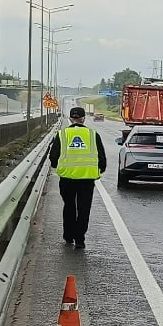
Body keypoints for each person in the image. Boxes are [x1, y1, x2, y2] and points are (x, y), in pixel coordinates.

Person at [49, 106, 107, 249]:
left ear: (70, 119)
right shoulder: (93, 135)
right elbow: (102, 157)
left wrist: (59, 166)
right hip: (87, 179)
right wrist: (101, 168)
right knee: (83, 209)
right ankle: (79, 239)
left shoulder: (62, 134)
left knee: (69, 207)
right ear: (83, 119)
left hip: (67, 179)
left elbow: (53, 157)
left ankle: (68, 236)